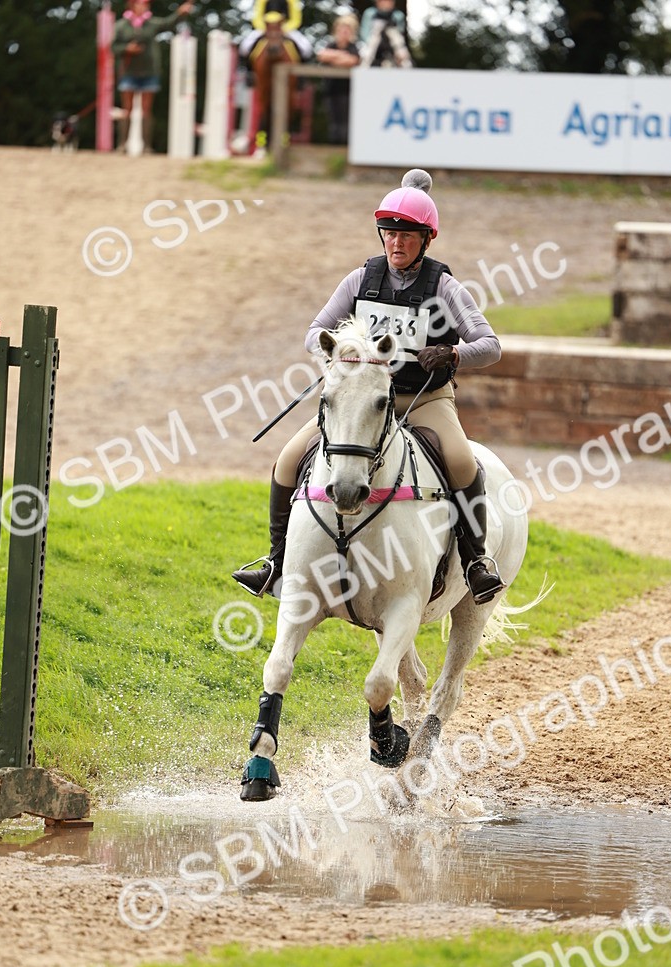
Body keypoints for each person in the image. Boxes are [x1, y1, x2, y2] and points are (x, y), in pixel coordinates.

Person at [233, 169, 506, 606]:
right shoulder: (361, 279)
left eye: (407, 235)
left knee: (461, 461)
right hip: (359, 400)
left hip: (423, 398)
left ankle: (476, 563)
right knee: (288, 459)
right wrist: (345, 353)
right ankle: (276, 560)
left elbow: (490, 346)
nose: (396, 243)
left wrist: (453, 354)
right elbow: (314, 333)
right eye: (389, 233)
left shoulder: (444, 287)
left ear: (427, 239)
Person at [111, 1, 194, 153]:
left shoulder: (152, 23)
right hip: (128, 72)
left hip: (149, 72)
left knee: (146, 110)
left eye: (146, 4)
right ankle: (122, 145)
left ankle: (146, 146)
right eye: (141, 3)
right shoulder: (121, 26)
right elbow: (113, 46)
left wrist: (180, 13)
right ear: (132, 5)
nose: (144, 6)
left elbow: (168, 22)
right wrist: (127, 48)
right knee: (127, 109)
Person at [240, 9, 313, 157]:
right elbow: (259, 11)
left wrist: (287, 26)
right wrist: (263, 24)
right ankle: (248, 72)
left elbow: (295, 14)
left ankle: (301, 78)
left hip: (285, 27)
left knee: (305, 47)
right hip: (264, 26)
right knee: (246, 46)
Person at [317, 15, 361, 145]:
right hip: (331, 90)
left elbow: (352, 61)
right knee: (334, 122)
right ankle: (334, 149)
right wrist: (341, 55)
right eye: (342, 29)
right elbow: (322, 55)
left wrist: (333, 58)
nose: (344, 32)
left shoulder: (353, 47)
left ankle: (344, 149)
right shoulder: (331, 44)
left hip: (348, 91)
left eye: (347, 30)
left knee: (345, 123)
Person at [360, 0, 412, 69]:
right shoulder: (369, 13)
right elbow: (365, 34)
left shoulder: (398, 15)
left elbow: (400, 35)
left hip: (391, 45)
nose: (386, 3)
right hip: (373, 43)